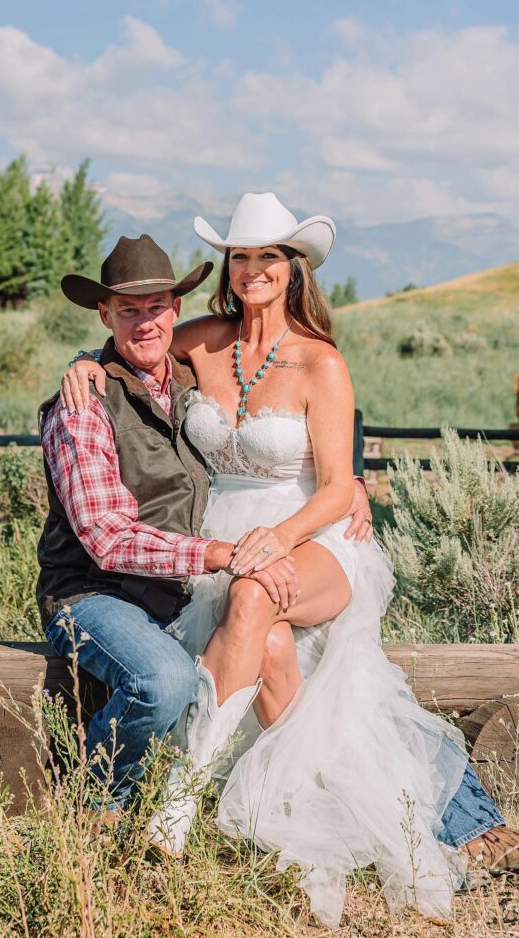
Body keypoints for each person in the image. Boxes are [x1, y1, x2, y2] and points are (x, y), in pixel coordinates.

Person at [61, 193, 519, 929]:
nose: (252, 269)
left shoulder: (321, 362)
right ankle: (327, 812)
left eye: (267, 256)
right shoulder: (201, 340)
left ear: (293, 267)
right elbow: (133, 338)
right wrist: (81, 366)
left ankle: (178, 798)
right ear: (228, 269)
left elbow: (337, 483)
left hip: (313, 540)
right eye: (240, 256)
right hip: (226, 540)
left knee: (253, 600)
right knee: (267, 642)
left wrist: (292, 530)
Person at [38, 232, 369, 821]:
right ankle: (99, 810)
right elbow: (106, 537)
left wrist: (349, 488)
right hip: (94, 590)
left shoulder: (188, 371)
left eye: (156, 306)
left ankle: (305, 806)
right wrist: (84, 362)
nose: (145, 323)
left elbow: (304, 453)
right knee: (166, 679)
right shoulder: (86, 402)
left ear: (176, 308)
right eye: (128, 310)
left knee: (270, 641)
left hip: (188, 579)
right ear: (104, 312)